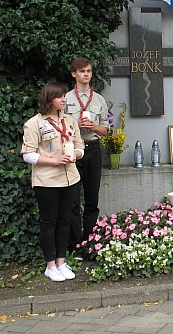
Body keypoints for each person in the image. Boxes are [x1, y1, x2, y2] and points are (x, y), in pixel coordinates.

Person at [21, 82, 84, 282]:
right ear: (49, 99)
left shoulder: (70, 121)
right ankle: (50, 266)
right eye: (60, 97)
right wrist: (55, 161)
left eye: (65, 96)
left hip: (70, 178)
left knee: (65, 220)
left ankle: (61, 262)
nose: (65, 100)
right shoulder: (34, 123)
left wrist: (75, 154)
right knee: (49, 222)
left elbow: (80, 146)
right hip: (46, 180)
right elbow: (28, 155)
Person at [65, 57, 109, 260]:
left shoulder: (98, 99)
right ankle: (75, 245)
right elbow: (60, 126)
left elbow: (106, 130)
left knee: (92, 199)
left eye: (89, 71)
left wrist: (93, 127)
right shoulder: (66, 99)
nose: (86, 74)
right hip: (73, 150)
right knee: (73, 200)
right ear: (74, 74)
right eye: (82, 71)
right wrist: (75, 126)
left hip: (92, 149)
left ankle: (89, 243)